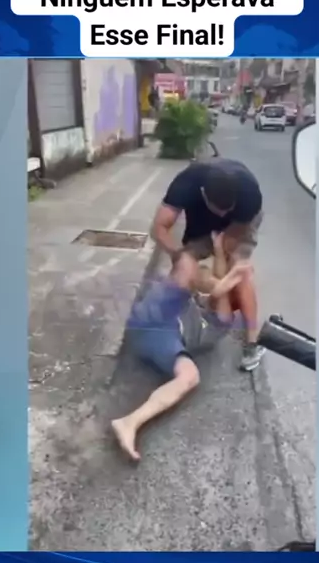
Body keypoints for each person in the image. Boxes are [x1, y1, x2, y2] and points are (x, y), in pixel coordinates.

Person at [111, 234, 250, 461]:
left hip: (162, 333)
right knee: (184, 274)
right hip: (159, 317)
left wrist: (229, 275)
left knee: (190, 376)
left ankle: (129, 422)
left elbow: (219, 288)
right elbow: (215, 284)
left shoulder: (221, 322)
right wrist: (217, 252)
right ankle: (128, 423)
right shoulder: (195, 300)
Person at [150, 159, 266, 372]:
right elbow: (159, 228)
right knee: (184, 265)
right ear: (202, 193)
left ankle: (253, 341)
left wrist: (220, 253)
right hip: (200, 226)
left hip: (238, 226)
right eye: (218, 210)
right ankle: (176, 323)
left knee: (238, 268)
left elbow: (228, 245)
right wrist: (179, 255)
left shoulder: (248, 193)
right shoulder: (186, 183)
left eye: (227, 209)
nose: (222, 215)